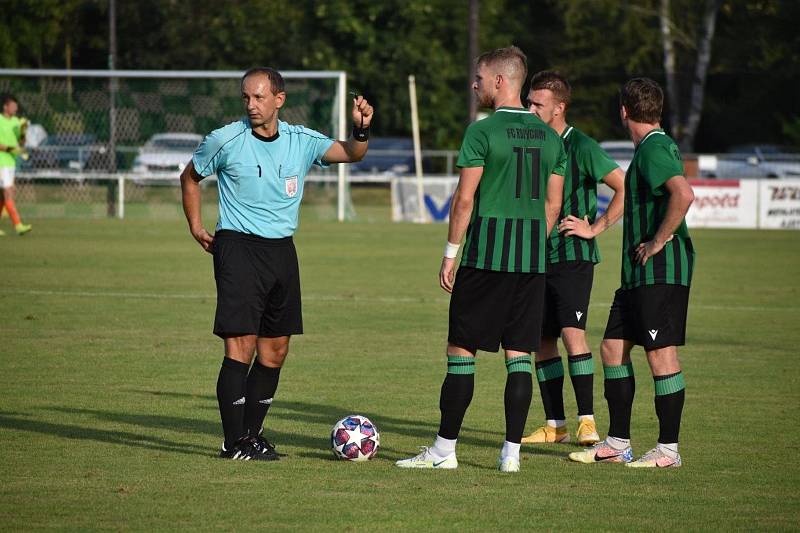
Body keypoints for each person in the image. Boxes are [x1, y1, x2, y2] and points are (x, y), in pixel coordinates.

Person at [180, 67, 373, 461]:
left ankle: (252, 435)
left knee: (275, 351)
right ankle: (233, 442)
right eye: (246, 98)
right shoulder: (225, 139)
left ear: (279, 100)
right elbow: (189, 177)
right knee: (242, 346)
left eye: (259, 97)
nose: (251, 105)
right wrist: (196, 226)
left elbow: (352, 154)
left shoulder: (300, 141)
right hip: (237, 247)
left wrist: (362, 130)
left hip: (282, 251)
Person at [395, 46, 566, 473]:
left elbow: (464, 199)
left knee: (461, 350)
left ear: (500, 82)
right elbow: (552, 206)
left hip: (486, 258)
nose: (475, 85)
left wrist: (450, 254)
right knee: (519, 356)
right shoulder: (550, 136)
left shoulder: (482, 131)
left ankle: (444, 451)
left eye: (479, 78)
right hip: (531, 264)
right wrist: (531, 243)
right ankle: (511, 454)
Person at [569, 77, 695, 468]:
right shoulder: (650, 149)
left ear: (624, 111)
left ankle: (668, 451)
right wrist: (598, 227)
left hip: (659, 270)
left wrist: (659, 239)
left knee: (661, 355)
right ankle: (618, 442)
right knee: (612, 348)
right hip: (637, 275)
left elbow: (684, 194)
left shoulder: (655, 149)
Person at [520, 71, 625, 446]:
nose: (529, 109)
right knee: (542, 340)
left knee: (571, 334)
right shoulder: (532, 141)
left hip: (572, 254)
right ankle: (555, 425)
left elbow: (623, 185)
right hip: (537, 255)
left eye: (537, 104)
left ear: (559, 107)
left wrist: (594, 228)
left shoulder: (580, 145)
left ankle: (587, 422)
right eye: (528, 102)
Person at [0, 94, 33, 236]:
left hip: (11, 162)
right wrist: (9, 149)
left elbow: (21, 143)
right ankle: (18, 225)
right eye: (13, 105)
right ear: (5, 106)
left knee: (3, 196)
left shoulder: (16, 121)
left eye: (16, 105)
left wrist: (23, 131)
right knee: (8, 193)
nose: (16, 107)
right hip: (1, 161)